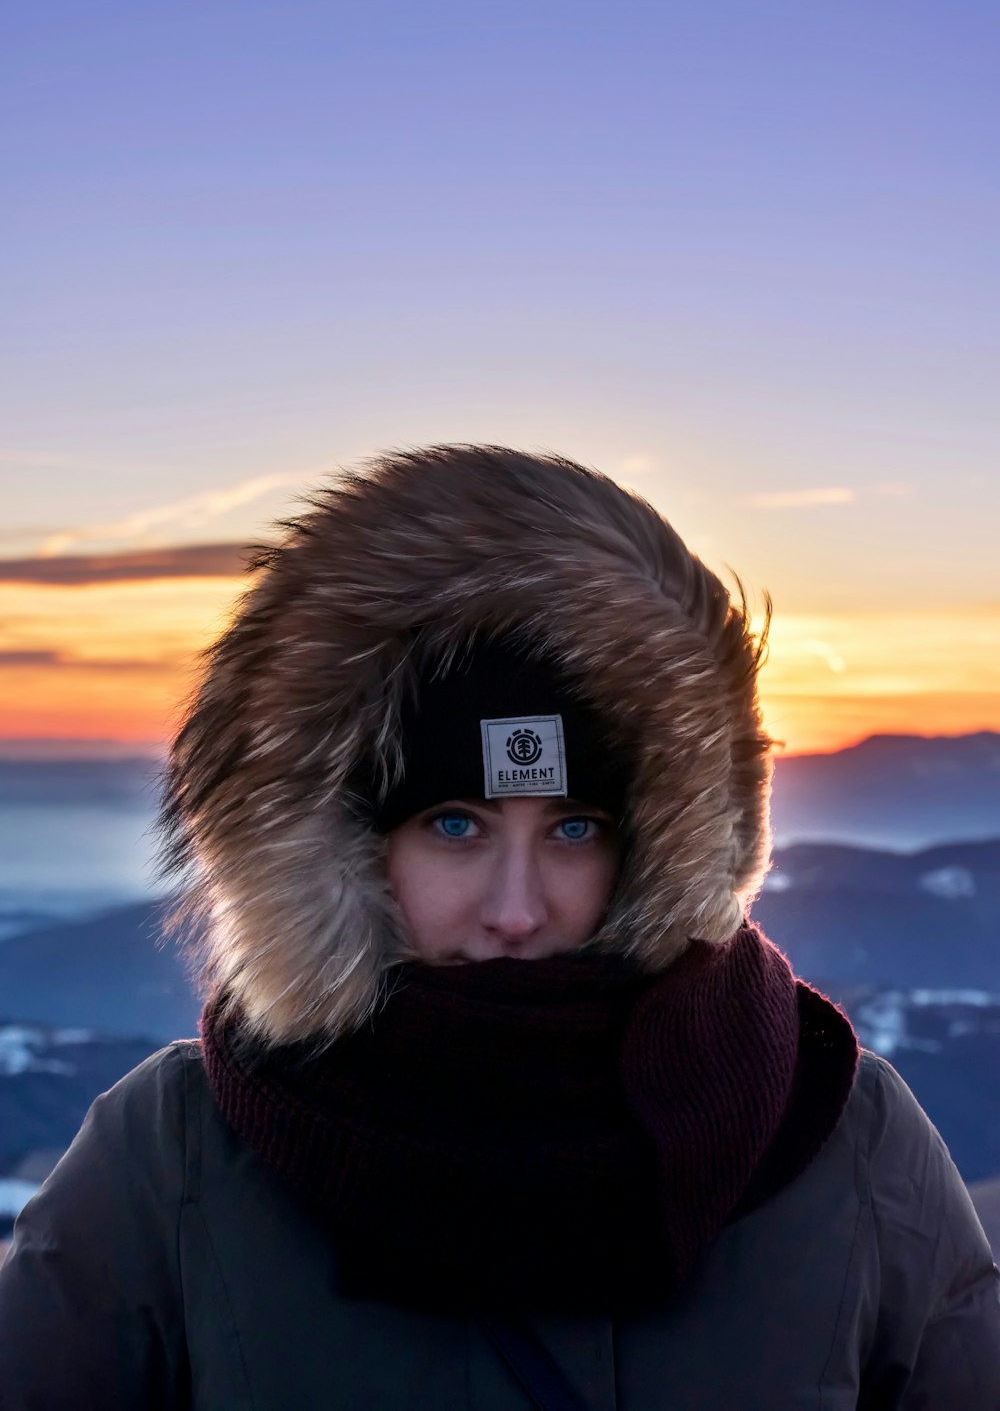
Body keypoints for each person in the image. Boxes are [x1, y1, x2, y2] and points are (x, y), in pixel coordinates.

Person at [0, 443, 997, 1409]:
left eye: (573, 827)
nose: (516, 909)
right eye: (453, 825)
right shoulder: (173, 1157)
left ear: (659, 842)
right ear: (348, 845)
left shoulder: (841, 1135)